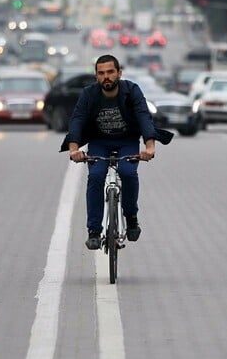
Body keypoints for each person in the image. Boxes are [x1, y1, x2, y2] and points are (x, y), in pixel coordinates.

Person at [60, 54, 173, 250]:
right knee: (95, 176)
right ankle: (94, 232)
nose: (106, 77)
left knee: (128, 173)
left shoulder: (132, 91)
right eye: (101, 73)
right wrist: (73, 149)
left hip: (127, 141)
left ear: (119, 73)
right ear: (96, 76)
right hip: (99, 142)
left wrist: (150, 147)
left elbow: (144, 118)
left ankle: (131, 217)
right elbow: (77, 120)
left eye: (110, 72)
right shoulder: (89, 94)